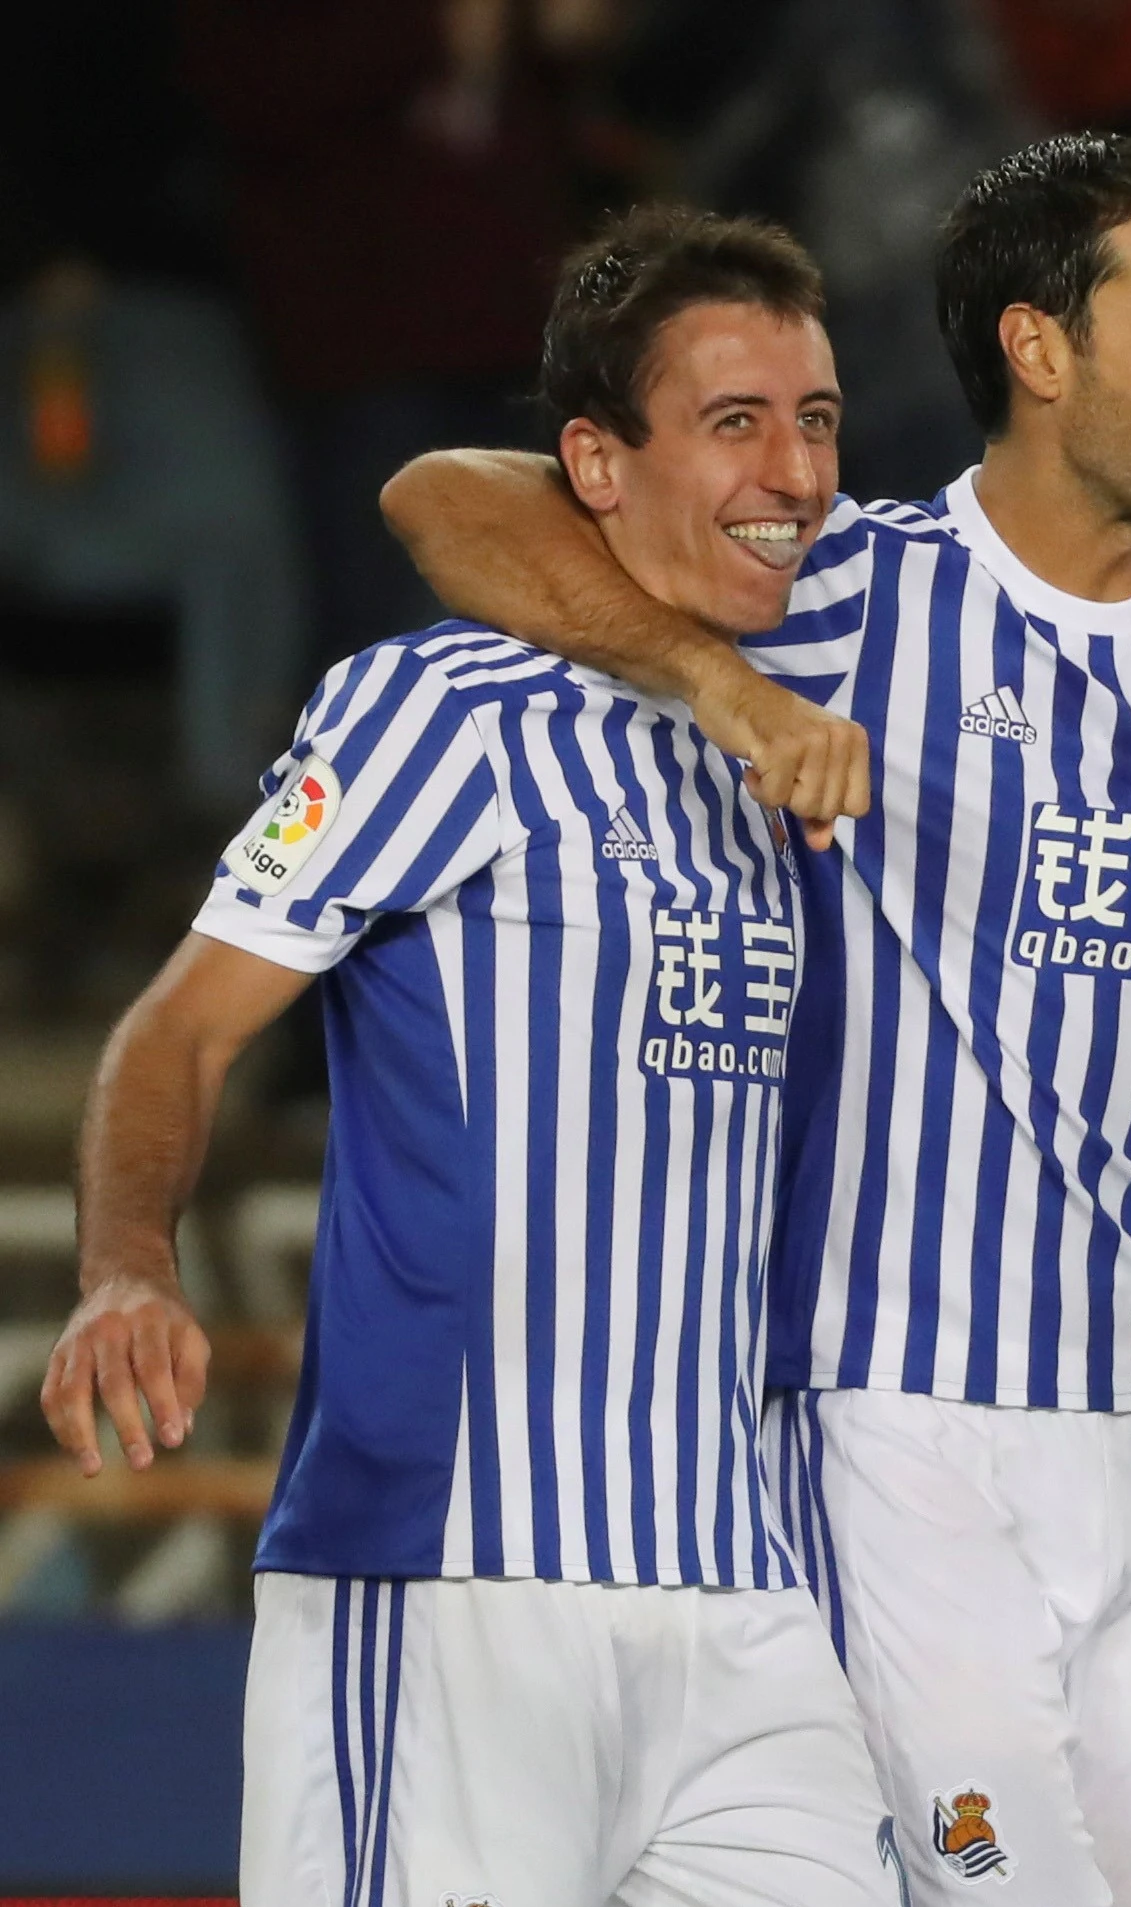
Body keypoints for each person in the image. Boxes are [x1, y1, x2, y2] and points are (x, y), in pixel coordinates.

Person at [379, 135, 1131, 1907]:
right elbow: (442, 496)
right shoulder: (839, 594)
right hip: (906, 1433)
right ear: (1041, 351)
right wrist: (724, 691)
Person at [37, 207, 897, 1907]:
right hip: (448, 1578)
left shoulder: (799, 722)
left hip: (743, 1596)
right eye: (736, 422)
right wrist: (122, 1266)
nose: (795, 470)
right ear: (593, 458)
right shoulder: (447, 713)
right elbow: (181, 1029)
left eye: (818, 419)